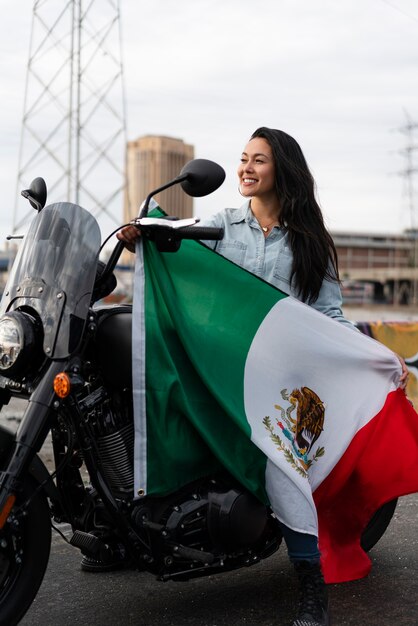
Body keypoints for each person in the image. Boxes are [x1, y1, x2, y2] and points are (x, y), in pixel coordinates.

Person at [118, 127, 408, 626]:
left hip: (280, 380)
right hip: (220, 369)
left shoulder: (309, 242)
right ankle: (115, 536)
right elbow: (178, 253)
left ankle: (311, 585)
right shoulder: (220, 226)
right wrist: (143, 233)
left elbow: (330, 316)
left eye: (258, 160)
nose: (246, 169)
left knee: (280, 460)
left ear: (283, 171)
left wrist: (375, 354)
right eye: (243, 159)